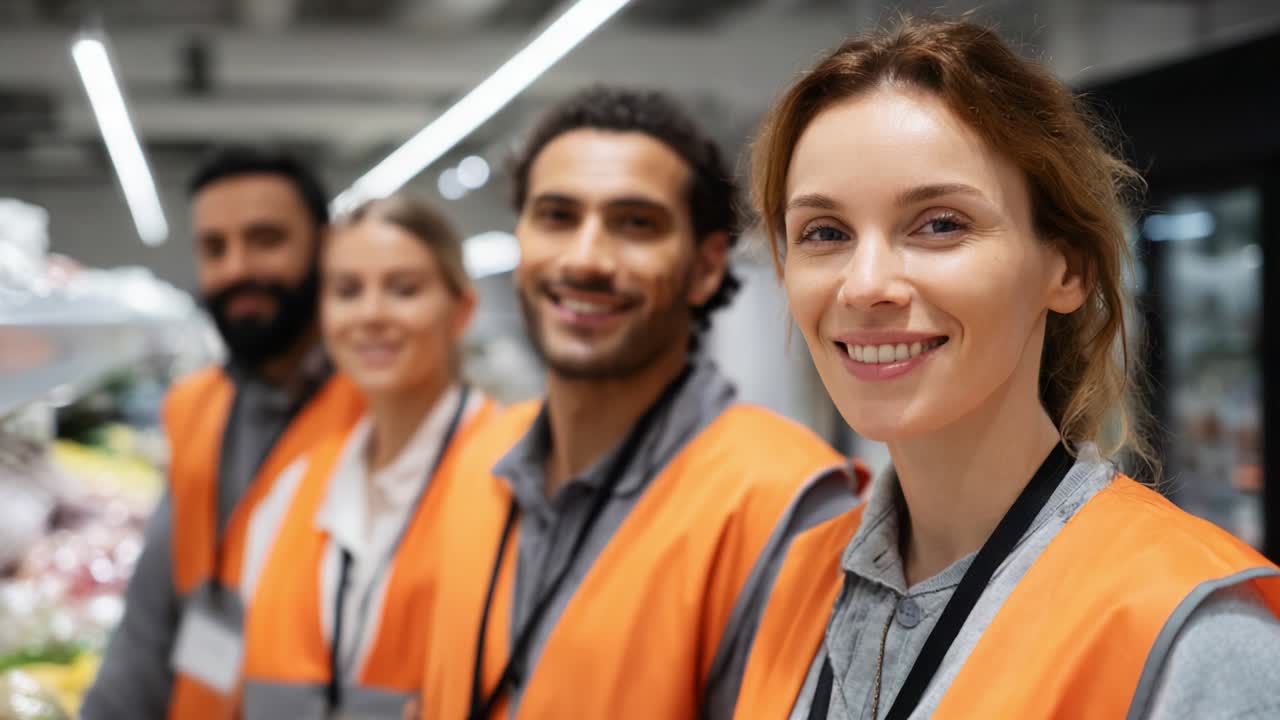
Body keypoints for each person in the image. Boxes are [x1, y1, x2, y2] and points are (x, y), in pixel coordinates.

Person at [733, 17, 1280, 720]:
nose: (865, 284)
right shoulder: (794, 584)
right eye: (825, 233)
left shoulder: (1193, 637)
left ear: (1068, 269)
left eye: (939, 224)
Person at [416, 86, 863, 720]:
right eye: (557, 216)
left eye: (635, 224)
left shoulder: (788, 504)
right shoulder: (477, 459)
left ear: (707, 267)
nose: (586, 258)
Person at [82, 147, 365, 720]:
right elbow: (149, 621)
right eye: (215, 248)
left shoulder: (384, 418)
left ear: (324, 247)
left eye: (265, 240)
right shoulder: (196, 405)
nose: (237, 269)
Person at [234, 194, 496, 718]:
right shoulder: (294, 487)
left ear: (461, 310)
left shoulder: (511, 476)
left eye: (403, 290)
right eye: (348, 291)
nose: (371, 315)